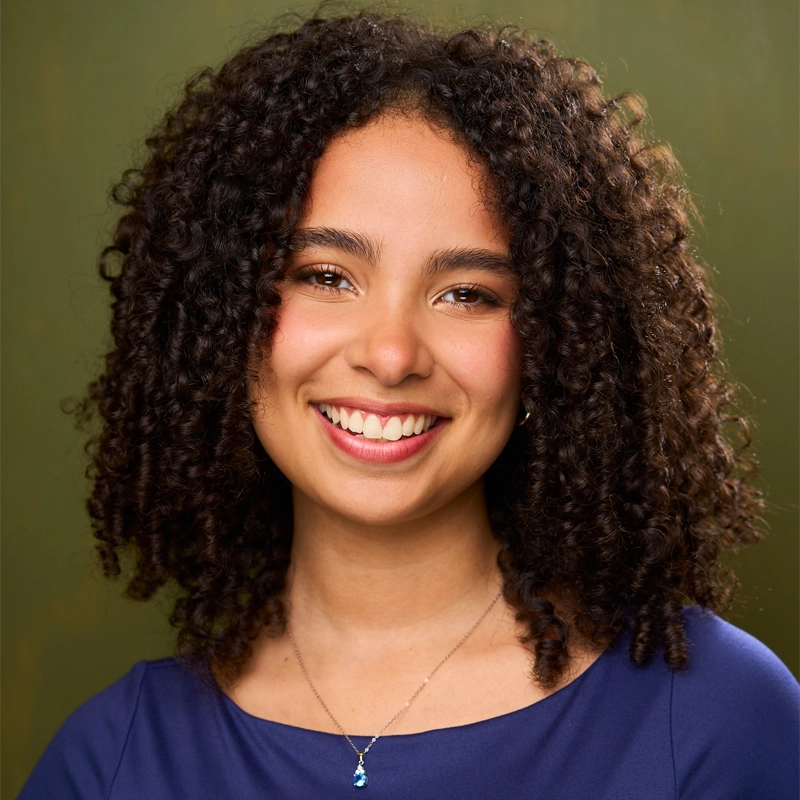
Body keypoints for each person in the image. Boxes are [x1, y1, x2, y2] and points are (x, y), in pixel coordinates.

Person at [20, 10, 798, 799]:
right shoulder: (113, 759)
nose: (390, 355)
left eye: (467, 294)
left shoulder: (712, 721)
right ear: (218, 311)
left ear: (559, 343)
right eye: (326, 276)